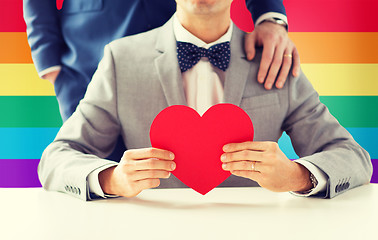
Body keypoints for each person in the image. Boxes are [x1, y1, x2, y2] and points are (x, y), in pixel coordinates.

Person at [39, 0, 372, 201]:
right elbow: (56, 159)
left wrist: (297, 175)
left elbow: (354, 157)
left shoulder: (275, 62)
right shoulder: (120, 61)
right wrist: (111, 179)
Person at [23, 0, 300, 121]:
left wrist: (270, 17)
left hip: (185, 43)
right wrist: (50, 63)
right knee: (96, 177)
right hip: (86, 57)